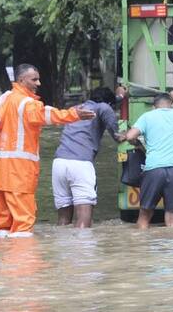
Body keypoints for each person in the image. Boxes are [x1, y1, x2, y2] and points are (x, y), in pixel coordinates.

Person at [0, 63, 96, 238]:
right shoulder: (27, 104)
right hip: (20, 172)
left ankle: (4, 256)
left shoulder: (4, 100)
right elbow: (47, 115)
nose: (38, 83)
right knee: (23, 223)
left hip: (1, 172)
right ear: (21, 80)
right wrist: (73, 114)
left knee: (3, 222)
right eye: (34, 79)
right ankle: (24, 261)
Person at [52, 85, 128, 228]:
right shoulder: (105, 108)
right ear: (109, 103)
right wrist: (131, 135)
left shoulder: (76, 109)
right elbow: (117, 136)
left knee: (63, 219)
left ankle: (62, 247)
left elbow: (106, 104)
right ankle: (84, 249)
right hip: (80, 164)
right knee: (84, 217)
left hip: (59, 163)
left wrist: (120, 96)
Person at [124, 90, 173, 229]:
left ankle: (141, 239)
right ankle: (171, 242)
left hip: (154, 169)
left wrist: (139, 145)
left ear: (154, 107)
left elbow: (130, 136)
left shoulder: (148, 116)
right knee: (172, 212)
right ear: (171, 105)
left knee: (145, 213)